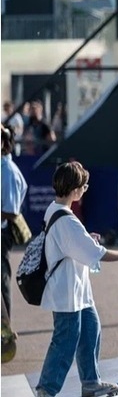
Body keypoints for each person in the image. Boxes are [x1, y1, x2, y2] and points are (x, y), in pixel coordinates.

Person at [34, 162, 118, 397]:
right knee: (66, 339)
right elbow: (96, 253)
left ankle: (91, 382)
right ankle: (45, 391)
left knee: (91, 328)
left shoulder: (56, 210)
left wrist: (86, 239)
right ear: (74, 189)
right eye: (83, 185)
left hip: (77, 289)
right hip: (67, 291)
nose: (85, 189)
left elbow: (74, 246)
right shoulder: (66, 219)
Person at [1, 125, 27, 352]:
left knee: (1, 284)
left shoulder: (6, 169)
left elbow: (11, 210)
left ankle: (5, 337)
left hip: (2, 232)